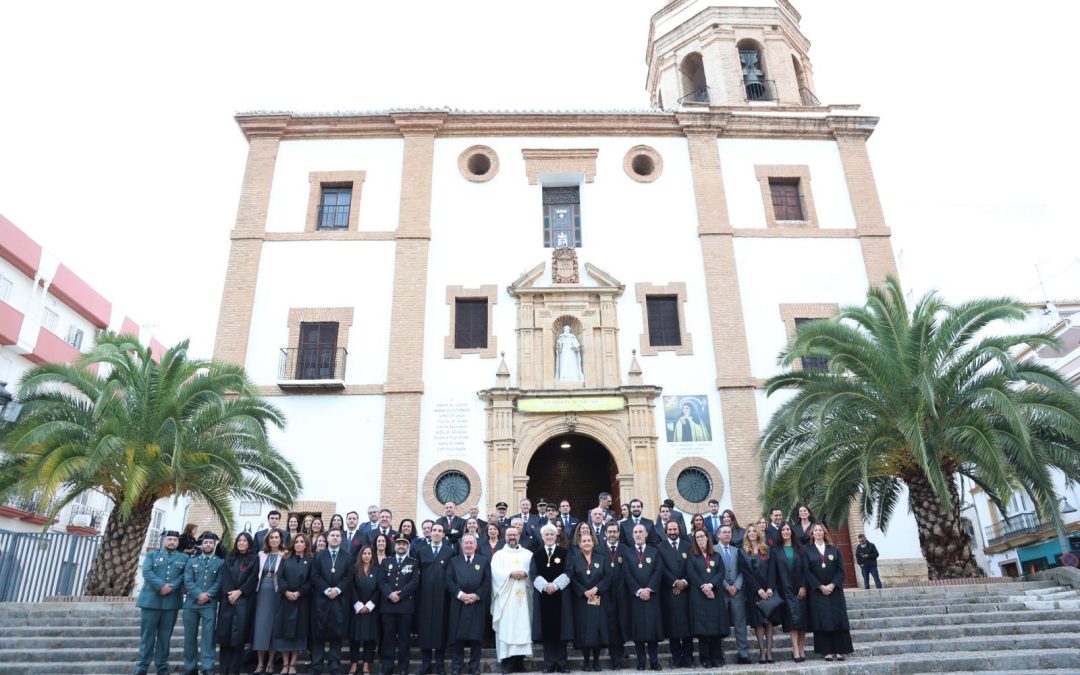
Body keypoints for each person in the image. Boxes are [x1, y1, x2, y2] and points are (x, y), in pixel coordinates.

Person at [135, 530, 188, 675]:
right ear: (164, 541)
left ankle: (162, 665)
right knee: (147, 635)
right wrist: (161, 585)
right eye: (169, 539)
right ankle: (143, 665)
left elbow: (185, 575)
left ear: (178, 542)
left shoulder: (184, 558)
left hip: (171, 603)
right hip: (151, 601)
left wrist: (171, 586)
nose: (172, 542)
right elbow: (147, 572)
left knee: (165, 636)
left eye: (175, 540)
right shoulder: (152, 555)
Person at [805, 523, 854, 661]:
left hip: (835, 591)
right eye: (816, 530)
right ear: (812, 533)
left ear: (824, 533)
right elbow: (807, 571)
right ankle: (826, 651)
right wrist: (820, 586)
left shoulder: (834, 549)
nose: (818, 532)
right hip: (818, 592)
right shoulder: (807, 550)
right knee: (822, 620)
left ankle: (840, 650)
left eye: (821, 530)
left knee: (838, 619)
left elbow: (841, 570)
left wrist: (832, 585)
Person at [490, 525, 535, 674]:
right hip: (506, 600)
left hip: (523, 598)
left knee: (523, 628)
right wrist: (510, 573)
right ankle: (507, 662)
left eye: (514, 535)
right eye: (509, 535)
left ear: (519, 536)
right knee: (506, 629)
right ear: (505, 537)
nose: (512, 537)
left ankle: (519, 662)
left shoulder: (528, 554)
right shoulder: (499, 555)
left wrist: (526, 574)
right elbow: (495, 572)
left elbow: (533, 571)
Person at [311, 528, 354, 675]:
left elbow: (349, 576)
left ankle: (334, 666)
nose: (335, 538)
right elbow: (315, 575)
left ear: (341, 539)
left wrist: (338, 590)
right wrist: (327, 590)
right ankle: (316, 666)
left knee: (337, 634)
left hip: (339, 601)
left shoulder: (347, 557)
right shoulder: (318, 556)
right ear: (327, 538)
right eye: (332, 535)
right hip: (321, 600)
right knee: (319, 635)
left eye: (337, 536)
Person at [446, 534, 491, 675]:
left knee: (476, 638)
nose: (468, 545)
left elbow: (487, 582)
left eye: (471, 543)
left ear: (476, 545)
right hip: (459, 603)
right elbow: (448, 581)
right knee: (458, 637)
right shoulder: (454, 561)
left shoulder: (483, 561)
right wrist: (460, 595)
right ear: (461, 545)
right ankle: (456, 667)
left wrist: (476, 595)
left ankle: (474, 668)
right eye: (466, 543)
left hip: (476, 604)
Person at [566, 526, 607, 672]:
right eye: (584, 541)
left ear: (593, 542)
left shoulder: (601, 559)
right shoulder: (574, 559)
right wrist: (583, 591)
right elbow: (572, 578)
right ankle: (586, 661)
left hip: (597, 599)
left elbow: (607, 577)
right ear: (579, 543)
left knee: (596, 631)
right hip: (582, 601)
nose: (587, 543)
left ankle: (596, 661)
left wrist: (596, 589)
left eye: (589, 540)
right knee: (584, 632)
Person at [623, 523, 663, 671]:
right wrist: (639, 590)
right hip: (636, 598)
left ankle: (654, 661)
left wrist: (649, 589)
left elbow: (658, 571)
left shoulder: (654, 552)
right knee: (638, 631)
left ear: (646, 534)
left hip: (651, 597)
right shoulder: (627, 553)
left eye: (641, 531)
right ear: (632, 535)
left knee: (652, 630)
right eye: (635, 532)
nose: (638, 534)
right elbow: (627, 573)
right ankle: (641, 662)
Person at [532, 524, 572, 673]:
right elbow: (533, 574)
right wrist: (545, 586)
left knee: (562, 631)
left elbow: (569, 571)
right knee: (546, 632)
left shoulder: (564, 553)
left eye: (551, 534)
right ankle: (549, 664)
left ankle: (562, 663)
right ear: (542, 537)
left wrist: (555, 585)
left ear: (556, 536)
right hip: (543, 597)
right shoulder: (536, 555)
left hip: (561, 597)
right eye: (546, 534)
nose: (549, 537)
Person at [182, 531, 223, 675]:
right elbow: (187, 581)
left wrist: (208, 595)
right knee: (189, 637)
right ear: (201, 544)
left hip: (209, 604)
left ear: (214, 544)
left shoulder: (220, 562)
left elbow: (219, 581)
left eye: (211, 542)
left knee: (208, 637)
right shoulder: (191, 561)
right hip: (191, 604)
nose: (208, 545)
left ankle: (207, 667)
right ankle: (190, 666)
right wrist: (199, 594)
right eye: (205, 542)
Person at [417, 523, 455, 674]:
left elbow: (451, 574)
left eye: (440, 531)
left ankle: (439, 663)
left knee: (441, 630)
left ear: (443, 534)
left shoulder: (449, 551)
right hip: (424, 597)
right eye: (434, 530)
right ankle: (426, 663)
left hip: (442, 597)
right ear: (429, 532)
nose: (436, 533)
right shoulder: (421, 550)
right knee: (425, 629)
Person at [217, 532, 258, 675]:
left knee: (238, 640)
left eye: (244, 540)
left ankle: (234, 671)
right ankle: (224, 671)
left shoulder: (254, 559)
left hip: (244, 602)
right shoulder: (229, 557)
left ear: (249, 543)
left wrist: (239, 592)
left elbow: (253, 579)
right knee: (225, 638)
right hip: (228, 601)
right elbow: (225, 577)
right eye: (239, 540)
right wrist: (230, 594)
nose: (241, 542)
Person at [686, 528, 727, 668]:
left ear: (707, 538)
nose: (700, 539)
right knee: (703, 629)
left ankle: (717, 657)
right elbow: (691, 573)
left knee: (715, 627)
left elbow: (721, 572)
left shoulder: (716, 555)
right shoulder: (692, 556)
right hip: (699, 596)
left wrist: (711, 585)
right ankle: (705, 658)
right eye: (697, 537)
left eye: (702, 536)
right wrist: (704, 587)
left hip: (715, 596)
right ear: (695, 541)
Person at [380, 536, 420, 675]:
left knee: (404, 640)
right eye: (398, 544)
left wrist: (400, 594)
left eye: (404, 544)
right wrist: (390, 594)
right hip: (388, 607)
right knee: (388, 640)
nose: (401, 546)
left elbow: (414, 582)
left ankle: (403, 669)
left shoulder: (413, 563)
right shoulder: (386, 562)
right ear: (394, 546)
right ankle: (387, 668)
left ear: (408, 546)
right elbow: (381, 582)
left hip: (405, 607)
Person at [657, 520, 694, 669]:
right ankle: (677, 658)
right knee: (673, 627)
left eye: (675, 529)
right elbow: (661, 568)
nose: (672, 532)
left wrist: (684, 582)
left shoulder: (688, 545)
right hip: (669, 591)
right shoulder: (660, 547)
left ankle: (689, 657)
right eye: (670, 529)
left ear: (679, 530)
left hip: (686, 591)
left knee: (687, 626)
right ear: (666, 531)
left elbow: (692, 565)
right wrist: (674, 582)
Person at [275, 532, 313, 675]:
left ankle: (293, 664)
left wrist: (300, 592)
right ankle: (285, 664)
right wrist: (286, 592)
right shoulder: (285, 558)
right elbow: (280, 577)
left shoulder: (310, 560)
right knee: (286, 632)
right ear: (293, 544)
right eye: (296, 542)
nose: (299, 544)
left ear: (306, 544)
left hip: (301, 601)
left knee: (298, 633)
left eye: (301, 542)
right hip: (286, 600)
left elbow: (311, 580)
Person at [770, 522, 808, 663]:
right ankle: (795, 649)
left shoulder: (800, 548)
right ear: (780, 533)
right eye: (783, 529)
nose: (786, 531)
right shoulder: (776, 550)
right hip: (785, 590)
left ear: (792, 531)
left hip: (801, 589)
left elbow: (805, 569)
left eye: (788, 529)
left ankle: (801, 647)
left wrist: (804, 586)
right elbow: (773, 571)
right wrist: (772, 588)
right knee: (792, 620)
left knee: (802, 619)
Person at [716, 524, 753, 664]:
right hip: (721, 592)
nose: (727, 534)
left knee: (740, 624)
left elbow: (743, 571)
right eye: (724, 532)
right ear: (718, 535)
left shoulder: (737, 551)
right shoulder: (713, 550)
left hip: (737, 593)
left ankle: (743, 653)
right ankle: (720, 653)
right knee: (720, 624)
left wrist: (736, 586)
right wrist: (726, 586)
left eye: (729, 532)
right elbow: (715, 572)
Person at [253, 528, 286, 674]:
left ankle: (271, 663)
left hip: (276, 593)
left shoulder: (285, 555)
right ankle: (260, 663)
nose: (274, 539)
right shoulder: (261, 554)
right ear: (268, 540)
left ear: (281, 540)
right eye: (271, 537)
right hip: (261, 593)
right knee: (260, 628)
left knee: (272, 628)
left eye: (276, 537)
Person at [743, 523, 775, 664]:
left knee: (768, 622)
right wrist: (758, 590)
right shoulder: (743, 552)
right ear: (746, 534)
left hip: (768, 591)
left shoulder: (767, 549)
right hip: (754, 592)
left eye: (754, 531)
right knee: (758, 623)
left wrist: (769, 588)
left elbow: (772, 570)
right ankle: (762, 652)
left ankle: (769, 651)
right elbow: (746, 574)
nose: (751, 533)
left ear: (758, 533)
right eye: (749, 531)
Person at [600, 523, 629, 670]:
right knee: (610, 625)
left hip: (622, 593)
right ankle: (614, 656)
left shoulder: (625, 550)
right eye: (609, 532)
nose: (612, 534)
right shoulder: (598, 550)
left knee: (621, 622)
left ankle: (621, 650)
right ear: (605, 534)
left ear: (618, 534)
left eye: (614, 532)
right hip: (605, 595)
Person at [350, 545, 381, 675]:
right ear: (360, 555)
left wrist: (369, 605)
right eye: (364, 553)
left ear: (372, 555)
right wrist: (358, 604)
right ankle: (353, 664)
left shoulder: (378, 570)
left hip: (371, 610)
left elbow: (379, 589)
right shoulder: (354, 569)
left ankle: (366, 665)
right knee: (355, 638)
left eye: (369, 553)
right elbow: (351, 587)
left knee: (369, 639)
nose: (366, 556)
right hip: (357, 609)